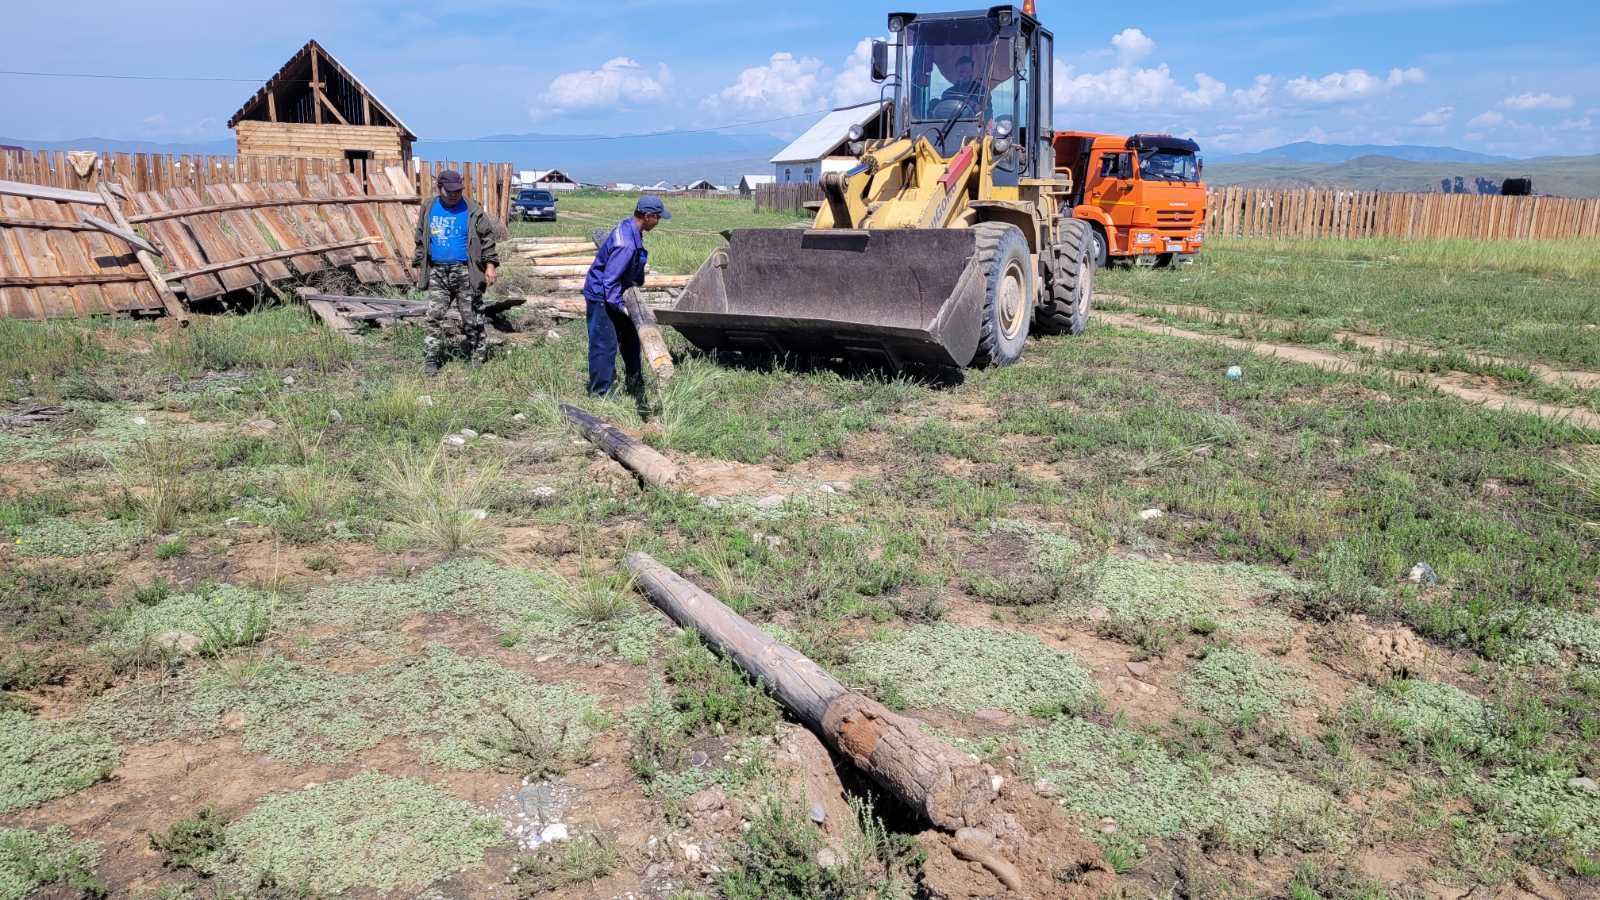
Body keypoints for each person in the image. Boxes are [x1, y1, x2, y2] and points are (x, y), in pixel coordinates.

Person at [412, 170, 500, 376]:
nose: (454, 195)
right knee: (433, 317)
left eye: (458, 191)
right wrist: (420, 266)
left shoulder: (472, 209)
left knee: (472, 318)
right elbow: (420, 239)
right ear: (439, 188)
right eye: (449, 191)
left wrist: (490, 265)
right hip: (438, 272)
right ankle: (431, 360)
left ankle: (477, 358)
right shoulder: (429, 207)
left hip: (465, 272)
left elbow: (487, 238)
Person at [583, 195, 668, 397]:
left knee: (631, 338)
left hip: (617, 293)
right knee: (605, 345)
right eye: (658, 217)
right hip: (602, 296)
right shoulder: (626, 244)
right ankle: (600, 393)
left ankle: (634, 379)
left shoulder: (631, 228)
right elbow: (609, 282)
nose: (659, 222)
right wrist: (621, 307)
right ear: (647, 216)